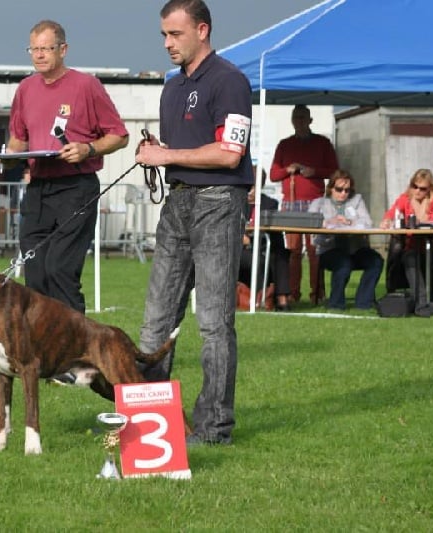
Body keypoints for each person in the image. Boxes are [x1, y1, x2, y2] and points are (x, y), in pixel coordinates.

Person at [135, 0, 253, 447]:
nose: (167, 43)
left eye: (175, 34)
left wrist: (166, 155)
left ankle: (213, 427)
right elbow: (188, 148)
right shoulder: (171, 87)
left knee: (214, 323)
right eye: (163, 34)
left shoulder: (230, 81)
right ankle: (148, 421)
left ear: (202, 30)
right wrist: (159, 150)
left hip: (219, 204)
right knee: (154, 322)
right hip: (178, 203)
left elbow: (229, 153)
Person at [5, 20, 129, 313]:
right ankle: (41, 344)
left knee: (59, 269)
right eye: (33, 49)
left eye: (46, 48)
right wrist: (7, 155)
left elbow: (119, 135)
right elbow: (18, 139)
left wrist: (88, 149)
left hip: (76, 186)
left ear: (63, 49)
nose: (39, 55)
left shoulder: (86, 86)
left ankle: (78, 345)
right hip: (38, 187)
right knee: (35, 270)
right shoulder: (25, 89)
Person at [270, 105, 339, 305]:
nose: (299, 121)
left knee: (315, 250)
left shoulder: (322, 143)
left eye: (303, 117)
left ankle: (317, 294)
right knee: (293, 251)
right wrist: (287, 170)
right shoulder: (284, 145)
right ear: (292, 121)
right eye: (296, 117)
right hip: (291, 202)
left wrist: (314, 171)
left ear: (310, 120)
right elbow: (274, 174)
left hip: (315, 202)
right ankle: (292, 293)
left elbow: (334, 171)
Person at [308, 170, 383, 310]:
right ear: (330, 188)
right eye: (339, 189)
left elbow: (368, 223)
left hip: (355, 248)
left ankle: (363, 303)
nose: (343, 193)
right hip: (328, 249)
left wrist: (349, 222)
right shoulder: (319, 203)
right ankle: (336, 304)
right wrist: (330, 221)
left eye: (347, 190)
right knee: (343, 263)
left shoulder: (357, 200)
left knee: (376, 261)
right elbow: (311, 222)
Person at [380, 169, 433, 314]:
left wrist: (427, 222)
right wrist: (387, 221)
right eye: (414, 186)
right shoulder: (404, 199)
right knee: (409, 258)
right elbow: (391, 213)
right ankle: (421, 301)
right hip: (412, 244)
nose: (417, 191)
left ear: (430, 189)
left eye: (422, 188)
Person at [240, 177, 290, 311]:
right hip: (238, 248)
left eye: (253, 187)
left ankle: (281, 298)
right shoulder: (234, 202)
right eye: (247, 187)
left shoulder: (269, 203)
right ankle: (258, 298)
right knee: (255, 259)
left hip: (262, 244)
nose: (250, 191)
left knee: (280, 254)